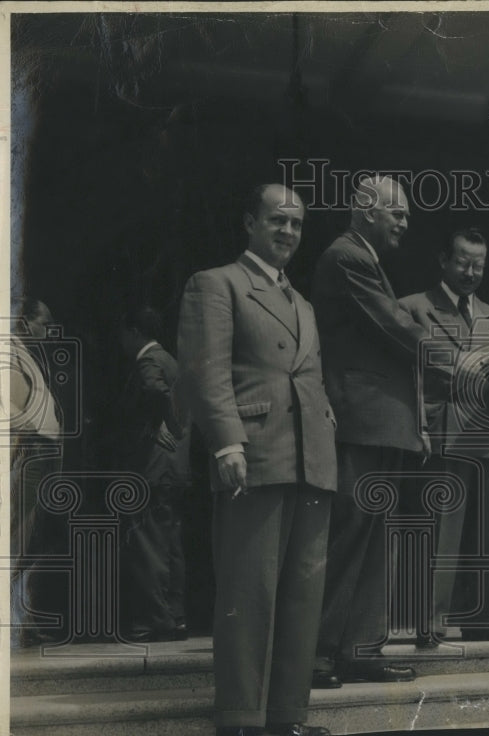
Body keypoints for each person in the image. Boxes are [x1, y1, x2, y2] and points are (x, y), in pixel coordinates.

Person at [177, 183, 336, 736]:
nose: (288, 232)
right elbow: (204, 371)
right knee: (249, 593)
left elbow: (311, 378)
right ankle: (242, 720)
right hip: (255, 455)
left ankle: (286, 718)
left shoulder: (304, 303)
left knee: (301, 595)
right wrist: (227, 441)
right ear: (250, 223)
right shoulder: (217, 284)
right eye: (277, 221)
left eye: (296, 224)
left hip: (311, 460)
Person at [310, 175, 433, 684]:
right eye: (396, 213)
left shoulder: (362, 259)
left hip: (380, 425)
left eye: (405, 213)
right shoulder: (348, 257)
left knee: (373, 541)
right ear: (365, 213)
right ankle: (320, 651)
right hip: (362, 423)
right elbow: (395, 328)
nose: (405, 221)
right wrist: (465, 363)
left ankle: (357, 651)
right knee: (350, 538)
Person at [400, 228, 489, 643]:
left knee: (486, 535)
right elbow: (409, 375)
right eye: (463, 262)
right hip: (440, 432)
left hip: (485, 436)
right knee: (441, 533)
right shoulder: (412, 308)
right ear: (443, 260)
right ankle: (431, 621)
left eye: (479, 265)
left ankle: (484, 618)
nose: (470, 272)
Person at [115, 306, 191, 643]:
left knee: (148, 544)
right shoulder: (173, 361)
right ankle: (174, 616)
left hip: (153, 467)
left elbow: (154, 392)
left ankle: (154, 620)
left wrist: (156, 425)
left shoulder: (148, 362)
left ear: (133, 332)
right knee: (170, 543)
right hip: (175, 468)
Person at [7, 299, 65, 646]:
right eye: (46, 324)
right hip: (32, 452)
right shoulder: (10, 352)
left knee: (30, 538)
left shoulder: (26, 353)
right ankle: (15, 624)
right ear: (27, 324)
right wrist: (28, 429)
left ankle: (21, 621)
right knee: (20, 535)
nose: (50, 332)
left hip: (43, 453)